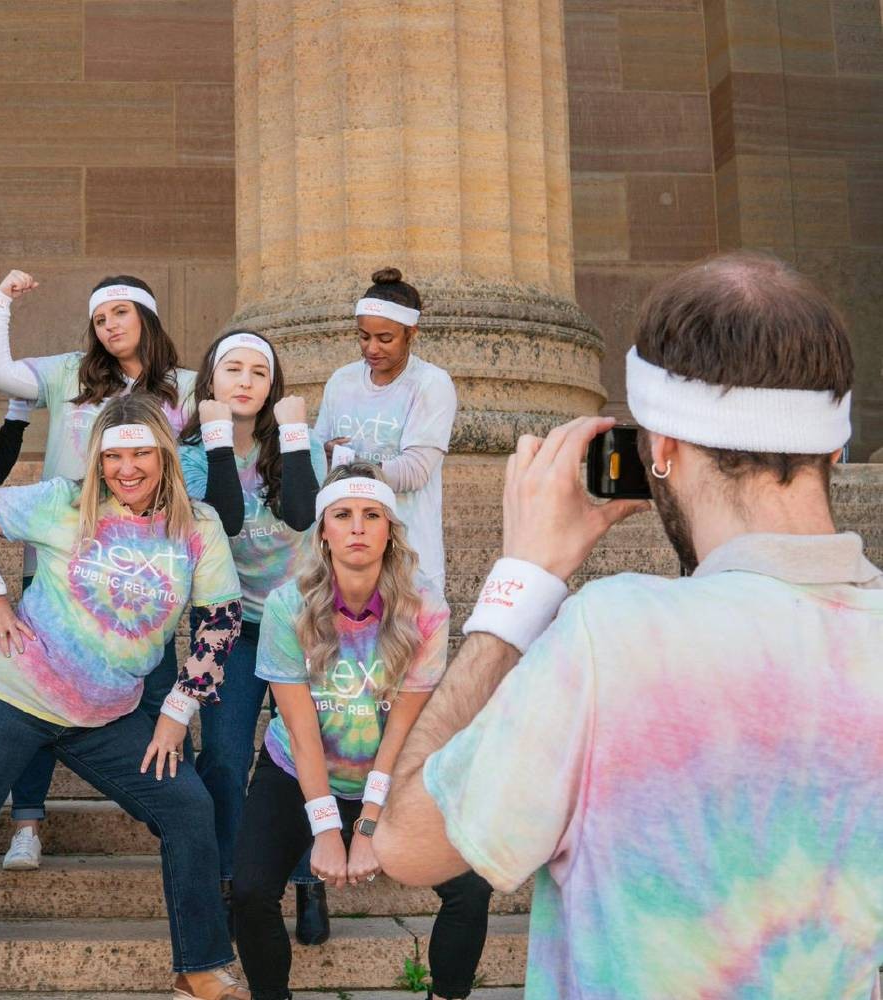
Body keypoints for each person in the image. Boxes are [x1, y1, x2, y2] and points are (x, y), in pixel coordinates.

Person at [373, 252, 883, 999]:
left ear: (662, 451)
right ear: (832, 446)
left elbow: (407, 841)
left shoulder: (611, 637)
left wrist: (521, 585)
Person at [0, 394, 248, 1000]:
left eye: (141, 453)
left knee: (188, 807)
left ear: (164, 456)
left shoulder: (197, 526)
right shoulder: (63, 501)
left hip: (109, 716)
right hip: (11, 697)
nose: (127, 467)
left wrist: (178, 712)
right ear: (97, 458)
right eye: (114, 455)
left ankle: (198, 968)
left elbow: (220, 619)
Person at [230, 464, 490, 1000]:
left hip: (394, 768)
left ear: (390, 530)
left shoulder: (426, 609)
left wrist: (368, 823)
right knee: (252, 890)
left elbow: (405, 728)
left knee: (471, 887)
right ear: (322, 529)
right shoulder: (286, 606)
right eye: (343, 515)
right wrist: (327, 826)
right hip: (299, 768)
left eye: (372, 515)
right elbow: (300, 733)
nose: (357, 527)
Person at [0, 269, 197, 869]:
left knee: (157, 685)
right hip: (61, 554)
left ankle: (175, 818)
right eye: (100, 319)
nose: (109, 326)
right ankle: (28, 823)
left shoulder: (188, 389)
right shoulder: (73, 373)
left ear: (147, 318)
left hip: (145, 564)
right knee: (37, 684)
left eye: (120, 313)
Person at [177, 330, 326, 927]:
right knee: (223, 753)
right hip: (229, 625)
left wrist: (293, 436)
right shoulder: (189, 453)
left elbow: (300, 514)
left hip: (300, 622)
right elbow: (225, 518)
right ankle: (232, 877)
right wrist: (217, 438)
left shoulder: (297, 443)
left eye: (258, 372)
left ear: (273, 386)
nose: (245, 381)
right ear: (209, 380)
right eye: (232, 368)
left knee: (308, 752)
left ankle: (309, 879)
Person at [314, 268, 456, 593]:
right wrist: (322, 453)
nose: (372, 348)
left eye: (385, 339)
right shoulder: (341, 380)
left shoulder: (431, 384)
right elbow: (317, 455)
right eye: (364, 337)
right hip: (345, 555)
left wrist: (345, 461)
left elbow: (414, 472)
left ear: (411, 332)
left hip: (408, 553)